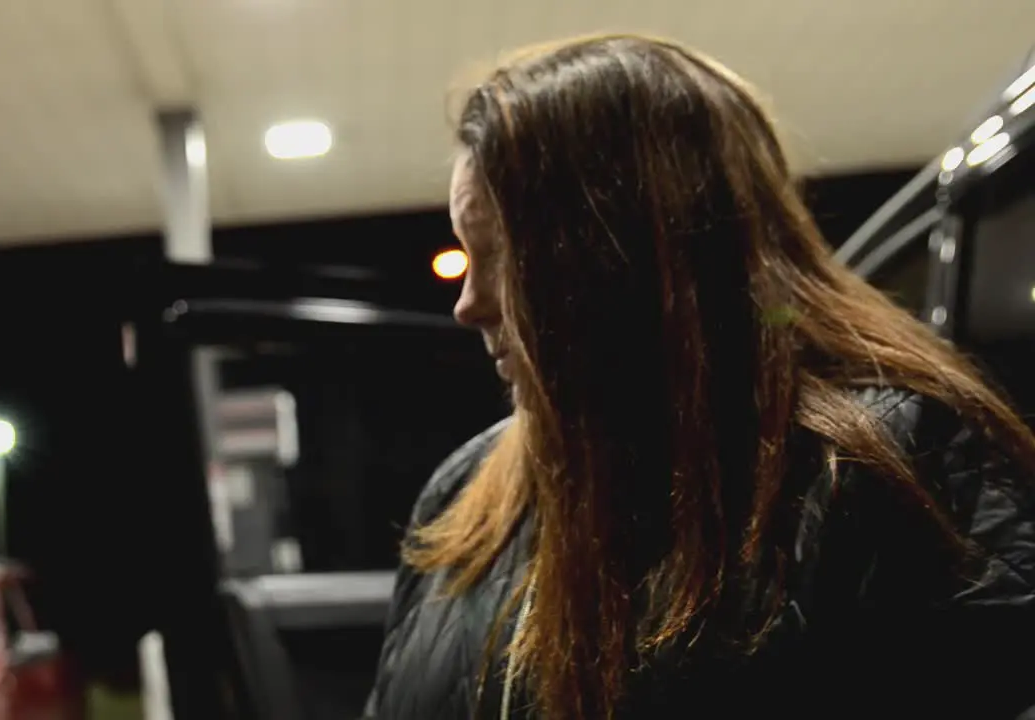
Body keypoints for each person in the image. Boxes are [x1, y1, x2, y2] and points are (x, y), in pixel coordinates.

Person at [363, 34, 1035, 720]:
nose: (466, 303)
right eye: (465, 254)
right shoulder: (464, 491)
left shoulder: (876, 468)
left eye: (501, 255)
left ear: (618, 259)